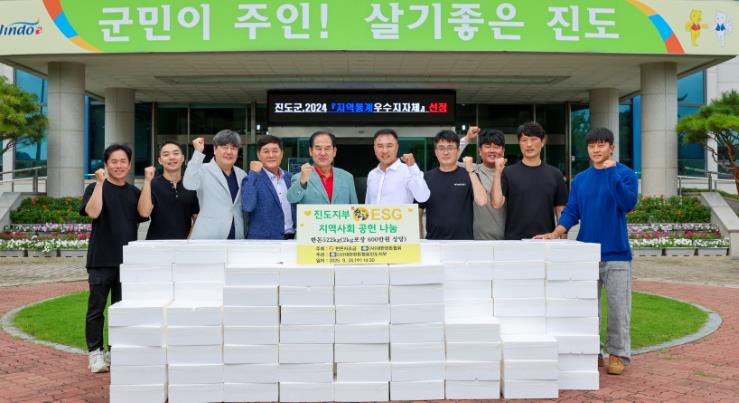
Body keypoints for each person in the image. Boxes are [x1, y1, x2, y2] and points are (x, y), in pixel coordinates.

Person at [534, 127, 638, 376]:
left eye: (601, 145)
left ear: (612, 147)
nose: (596, 150)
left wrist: (611, 173)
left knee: (618, 309)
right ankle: (593, 352)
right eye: (592, 146)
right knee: (587, 310)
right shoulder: (581, 179)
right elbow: (572, 210)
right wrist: (555, 233)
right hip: (586, 254)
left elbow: (627, 203)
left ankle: (617, 354)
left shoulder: (625, 175)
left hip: (617, 254)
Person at [79, 144, 148, 373]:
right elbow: (93, 212)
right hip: (100, 260)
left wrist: (148, 182)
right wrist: (100, 183)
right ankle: (95, 353)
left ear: (129, 165)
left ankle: (114, 350)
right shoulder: (94, 188)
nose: (119, 165)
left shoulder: (133, 192)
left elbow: (144, 213)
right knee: (96, 309)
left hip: (126, 262)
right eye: (114, 161)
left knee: (120, 311)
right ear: (106, 164)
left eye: (123, 161)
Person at [491, 121, 568, 240]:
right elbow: (496, 203)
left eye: (533, 139)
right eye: (524, 140)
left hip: (546, 240)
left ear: (543, 142)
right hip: (514, 241)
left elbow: (560, 210)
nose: (529, 144)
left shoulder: (555, 174)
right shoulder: (508, 172)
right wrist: (497, 173)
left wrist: (563, 240)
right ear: (519, 143)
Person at [420, 130, 488, 240]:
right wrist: (419, 240)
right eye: (441, 148)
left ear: (458, 151)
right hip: (433, 242)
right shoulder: (425, 178)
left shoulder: (469, 175)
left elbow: (482, 201)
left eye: (450, 148)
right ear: (436, 152)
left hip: (463, 242)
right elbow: (418, 211)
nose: (446, 152)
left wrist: (471, 171)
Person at [183, 130, 247, 239]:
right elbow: (189, 184)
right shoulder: (202, 170)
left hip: (236, 235)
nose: (229, 152)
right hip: (209, 235)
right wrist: (197, 152)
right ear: (214, 149)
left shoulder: (242, 174)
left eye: (233, 148)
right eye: (225, 147)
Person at [138, 141, 199, 239]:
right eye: (166, 154)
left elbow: (197, 219)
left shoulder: (191, 185)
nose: (171, 157)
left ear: (183, 158)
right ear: (160, 160)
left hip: (183, 244)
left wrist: (188, 241)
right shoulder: (153, 184)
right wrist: (147, 181)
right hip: (155, 244)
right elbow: (144, 212)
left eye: (176, 153)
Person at [241, 135, 297, 239]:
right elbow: (248, 206)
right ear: (258, 155)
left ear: (282, 154)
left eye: (275, 151)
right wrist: (253, 174)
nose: (271, 155)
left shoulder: (290, 178)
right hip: (263, 242)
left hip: (291, 239)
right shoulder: (251, 179)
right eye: (266, 151)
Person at [457, 126, 506, 240]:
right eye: (487, 146)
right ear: (480, 151)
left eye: (496, 147)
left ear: (503, 151)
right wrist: (467, 139)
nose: (492, 150)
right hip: (479, 240)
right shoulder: (472, 169)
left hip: (508, 240)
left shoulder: (510, 174)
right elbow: (450, 159)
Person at [287, 131, 358, 204]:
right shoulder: (299, 177)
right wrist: (302, 182)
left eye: (327, 148)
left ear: (334, 151)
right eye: (318, 148)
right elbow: (291, 199)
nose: (323, 153)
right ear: (310, 151)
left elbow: (354, 207)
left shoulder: (347, 177)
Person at [366, 128, 430, 205]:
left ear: (397, 147)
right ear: (374, 148)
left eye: (389, 146)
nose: (384, 151)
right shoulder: (372, 174)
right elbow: (368, 205)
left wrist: (413, 167)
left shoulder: (407, 171)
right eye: (380, 146)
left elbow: (423, 197)